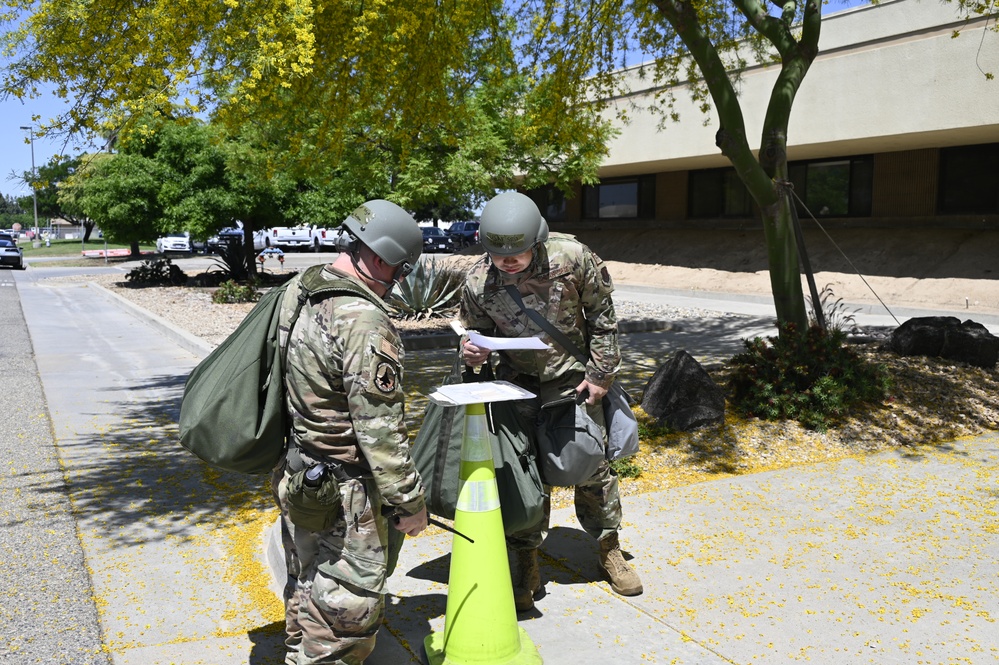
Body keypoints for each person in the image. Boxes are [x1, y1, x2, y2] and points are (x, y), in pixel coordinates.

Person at [458, 191, 643, 612]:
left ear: (537, 240)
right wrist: (471, 352)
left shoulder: (573, 258)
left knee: (593, 469)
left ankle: (608, 548)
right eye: (498, 254)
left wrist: (600, 375)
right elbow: (474, 336)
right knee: (524, 478)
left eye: (518, 253)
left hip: (575, 385)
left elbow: (604, 319)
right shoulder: (477, 282)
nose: (508, 262)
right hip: (517, 388)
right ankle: (526, 562)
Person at [271, 199, 428, 664]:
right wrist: (409, 502)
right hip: (345, 488)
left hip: (300, 470)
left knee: (306, 581)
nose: (397, 281)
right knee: (345, 610)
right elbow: (378, 430)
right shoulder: (362, 319)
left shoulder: (301, 289)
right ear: (378, 257)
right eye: (398, 270)